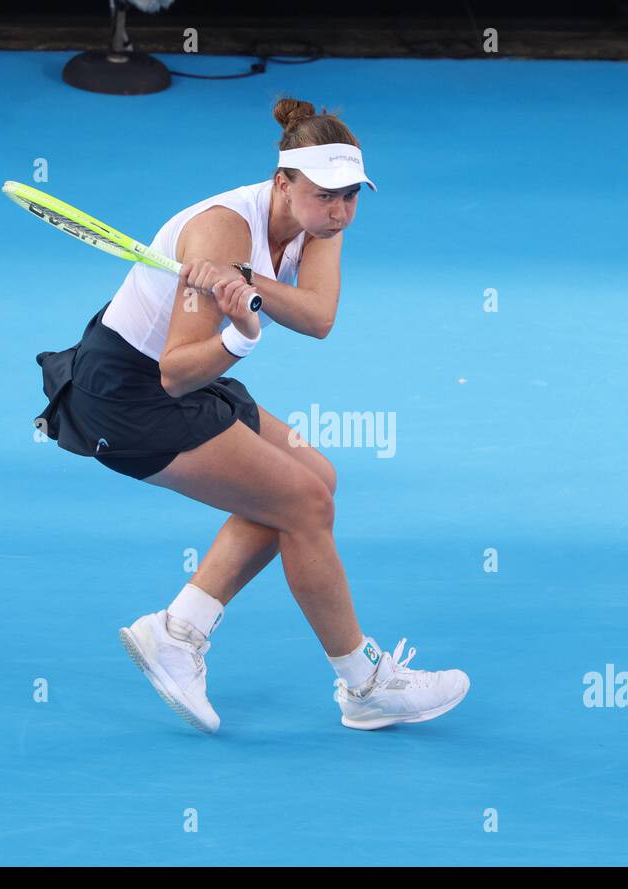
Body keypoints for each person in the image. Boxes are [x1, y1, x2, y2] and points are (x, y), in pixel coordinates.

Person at [34, 97, 469, 733]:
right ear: (282, 184)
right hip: (129, 393)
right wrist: (240, 334)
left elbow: (318, 317)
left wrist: (248, 288)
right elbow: (176, 371)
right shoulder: (219, 230)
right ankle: (364, 682)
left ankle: (177, 632)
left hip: (187, 381)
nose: (341, 211)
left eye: (352, 196)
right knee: (303, 505)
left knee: (315, 480)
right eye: (326, 195)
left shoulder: (321, 225)